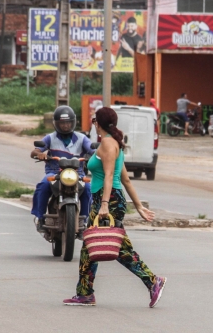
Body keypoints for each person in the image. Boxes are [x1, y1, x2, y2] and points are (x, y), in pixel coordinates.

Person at [63, 107, 167, 307]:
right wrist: (138, 206)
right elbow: (126, 179)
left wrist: (103, 204)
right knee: (97, 245)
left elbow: (111, 176)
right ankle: (85, 292)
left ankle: (152, 280)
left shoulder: (109, 145)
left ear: (97, 123)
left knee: (108, 246)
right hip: (110, 198)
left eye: (94, 120)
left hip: (107, 199)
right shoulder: (112, 144)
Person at [30, 106, 93, 231]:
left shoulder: (82, 138)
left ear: (73, 122)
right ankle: (40, 218)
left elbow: (93, 149)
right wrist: (40, 154)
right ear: (56, 123)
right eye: (62, 123)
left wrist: (96, 154)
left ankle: (85, 221)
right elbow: (34, 151)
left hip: (77, 174)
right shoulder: (50, 138)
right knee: (43, 185)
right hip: (54, 173)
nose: (65, 126)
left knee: (88, 188)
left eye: (68, 122)